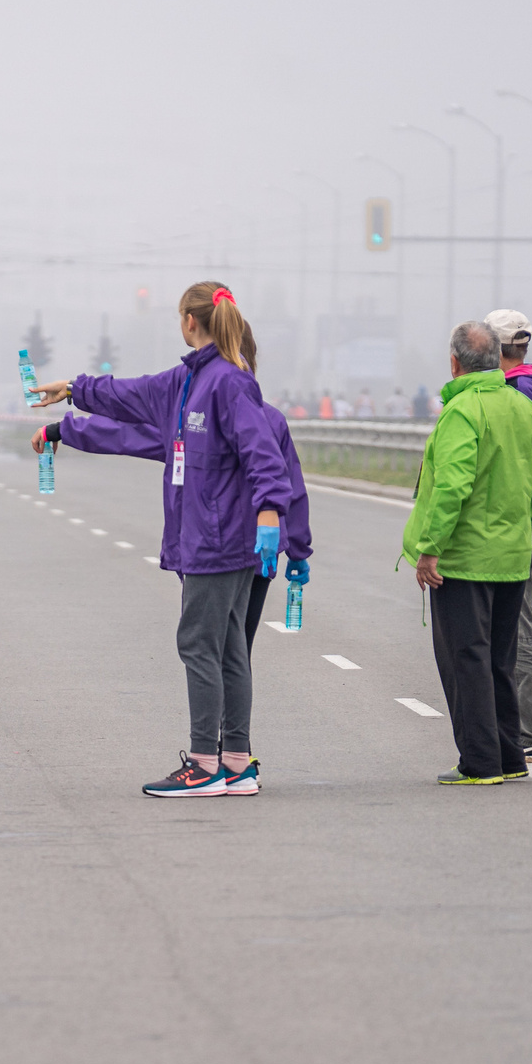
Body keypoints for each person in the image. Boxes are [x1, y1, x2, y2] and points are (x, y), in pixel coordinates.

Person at [33, 283, 297, 798]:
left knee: (199, 644)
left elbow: (264, 455)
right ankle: (237, 762)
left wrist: (270, 514)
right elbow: (128, 397)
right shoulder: (187, 380)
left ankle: (204, 763)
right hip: (206, 535)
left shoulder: (228, 383)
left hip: (219, 540)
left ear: (189, 320)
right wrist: (73, 389)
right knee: (226, 648)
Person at [37, 333, 311, 666]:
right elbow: (293, 490)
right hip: (257, 553)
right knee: (236, 655)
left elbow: (129, 435)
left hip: (214, 550)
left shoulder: (194, 419)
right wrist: (297, 553)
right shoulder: (271, 420)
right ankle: (229, 721)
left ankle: (215, 721)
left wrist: (62, 430)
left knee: (210, 653)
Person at [404, 322, 532, 786]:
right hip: (511, 559)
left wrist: (430, 549)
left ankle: (480, 762)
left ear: (455, 362)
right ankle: (511, 757)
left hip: (463, 560)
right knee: (500, 661)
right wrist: (517, 535)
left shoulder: (462, 411)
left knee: (465, 659)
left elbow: (452, 486)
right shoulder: (525, 409)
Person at [488, 311, 532, 762]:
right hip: (530, 505)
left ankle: (530, 731)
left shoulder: (520, 390)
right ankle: (521, 727)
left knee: (519, 619)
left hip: (522, 509)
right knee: (514, 616)